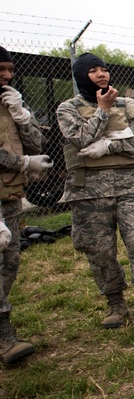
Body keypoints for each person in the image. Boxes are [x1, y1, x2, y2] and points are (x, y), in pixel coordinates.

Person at [57, 52, 134, 328]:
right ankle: (116, 305)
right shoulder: (67, 109)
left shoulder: (127, 104)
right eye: (93, 71)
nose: (101, 74)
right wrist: (103, 112)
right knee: (100, 251)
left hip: (129, 184)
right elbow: (80, 138)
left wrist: (109, 144)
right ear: (82, 75)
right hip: (88, 191)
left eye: (104, 70)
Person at [0, 46, 50, 368]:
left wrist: (24, 117)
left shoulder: (11, 101)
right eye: (0, 70)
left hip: (9, 196)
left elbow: (37, 143)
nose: (6, 76)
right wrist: (23, 162)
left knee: (11, 259)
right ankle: (5, 337)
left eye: (10, 70)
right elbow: (28, 156)